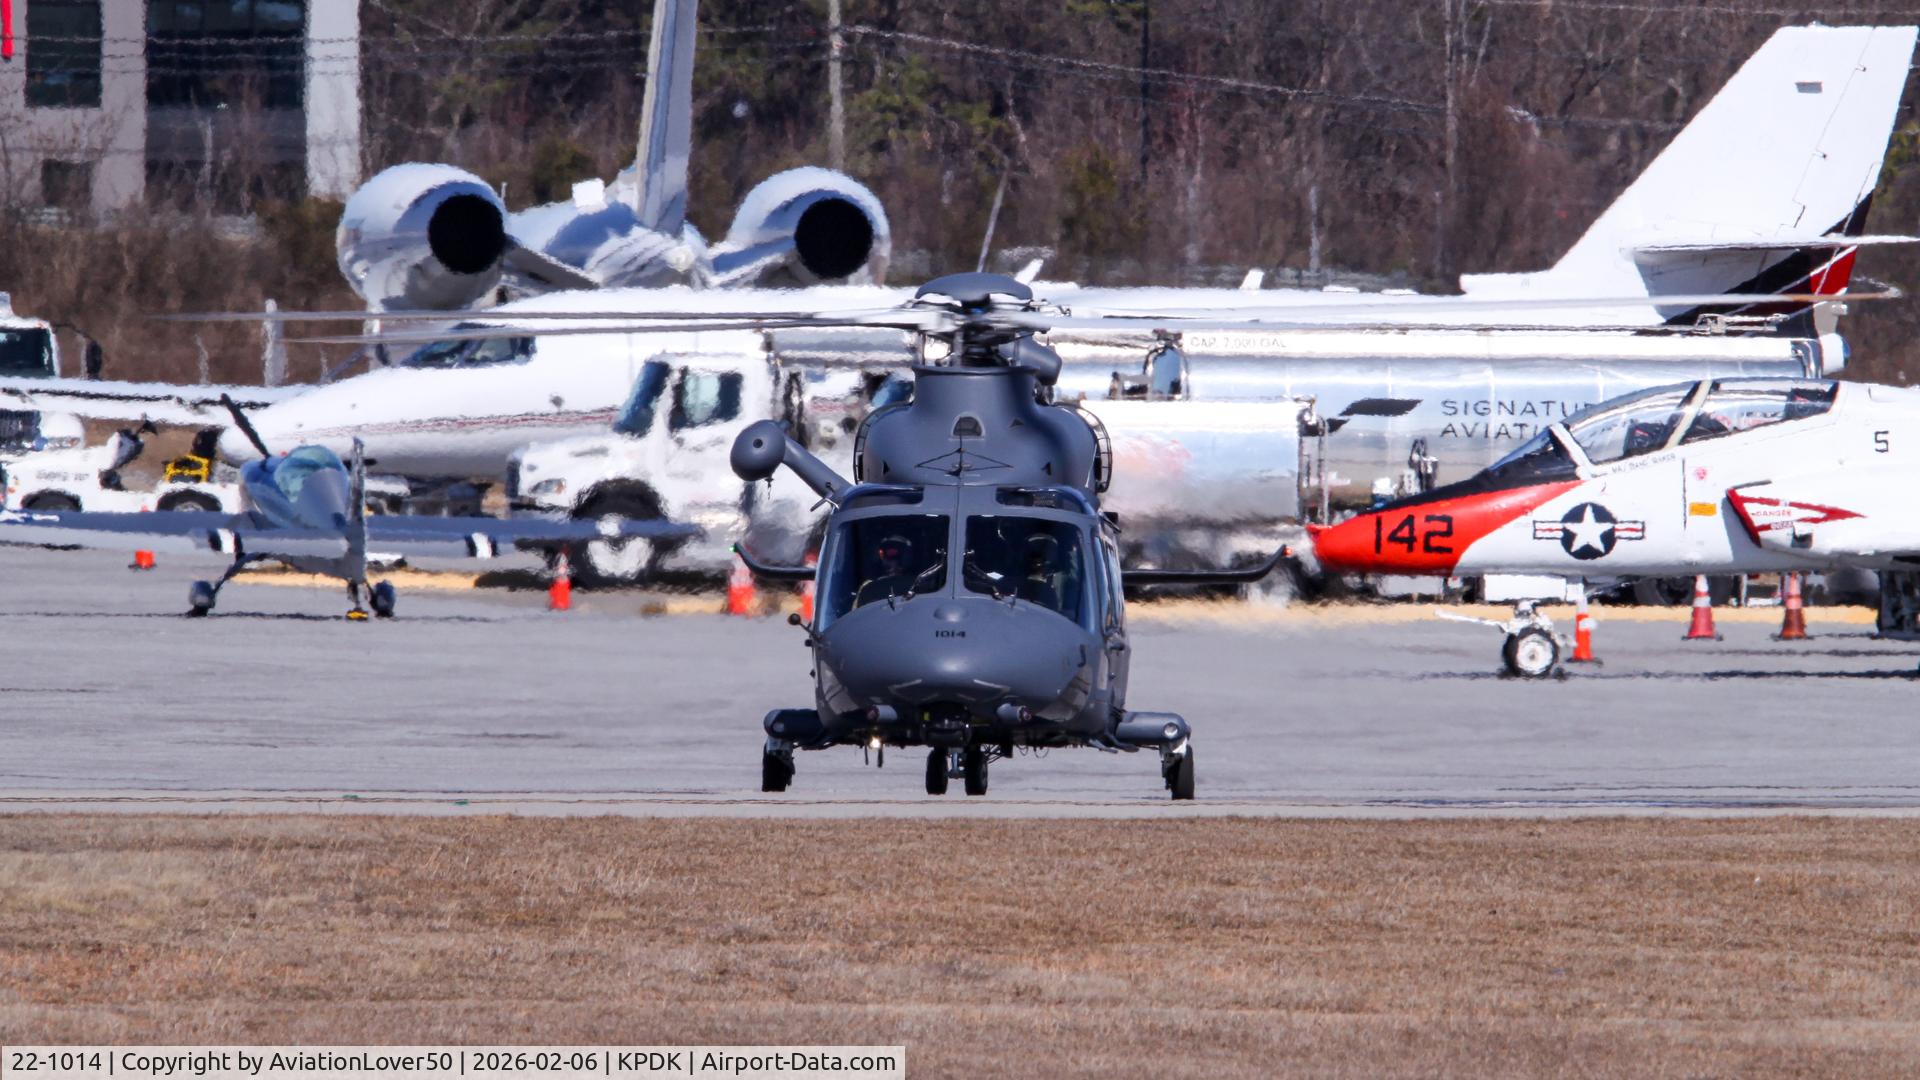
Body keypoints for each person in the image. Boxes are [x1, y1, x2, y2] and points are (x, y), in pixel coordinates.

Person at [856, 534, 918, 607]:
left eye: (891, 553)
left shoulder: (918, 585)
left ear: (905, 557)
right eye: (882, 554)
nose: (885, 562)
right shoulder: (869, 589)